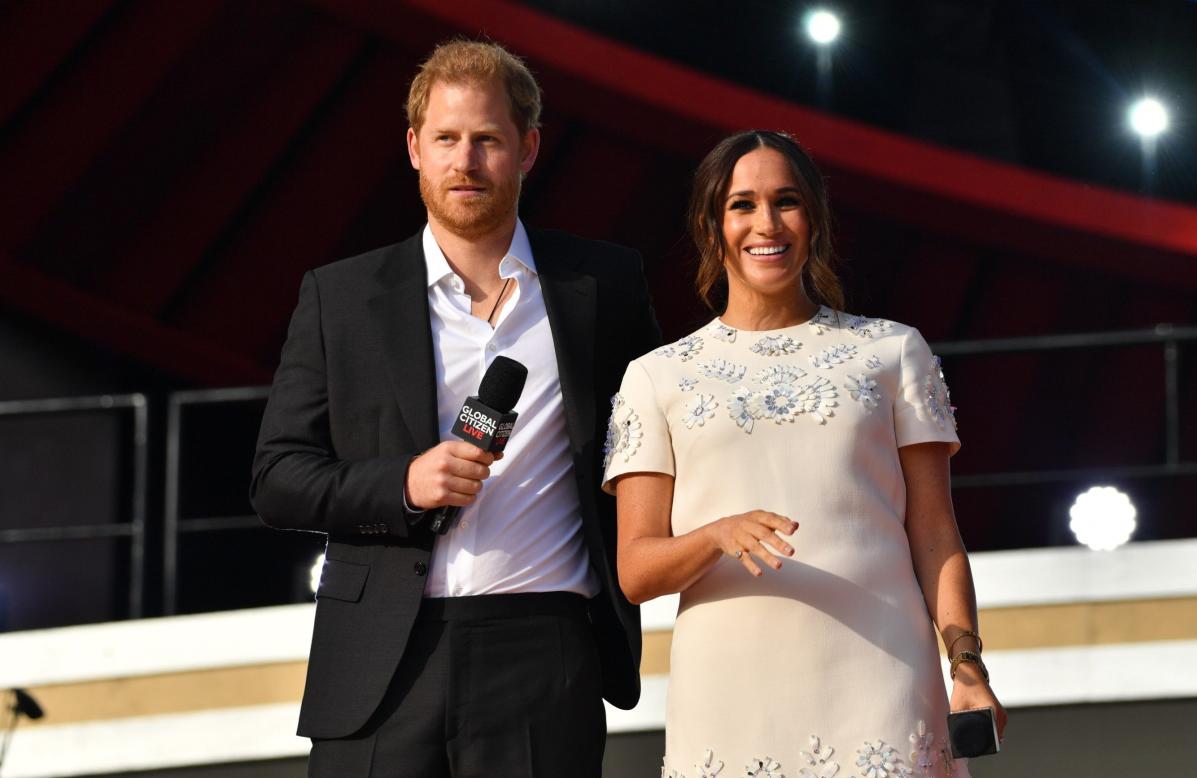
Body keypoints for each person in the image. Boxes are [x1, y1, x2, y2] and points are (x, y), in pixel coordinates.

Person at [251, 40, 661, 777]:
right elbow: (277, 477)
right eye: (445, 138)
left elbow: (663, 440)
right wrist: (402, 484)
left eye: (487, 140)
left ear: (527, 149)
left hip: (546, 648)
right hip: (380, 662)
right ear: (414, 147)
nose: (464, 161)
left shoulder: (603, 285)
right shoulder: (340, 296)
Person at [603, 130, 1005, 778]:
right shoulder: (656, 378)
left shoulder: (893, 353)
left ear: (812, 218)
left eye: (785, 201)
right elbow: (636, 571)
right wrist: (716, 534)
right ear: (710, 225)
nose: (766, 223)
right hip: (730, 696)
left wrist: (966, 664)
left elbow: (934, 535)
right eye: (741, 205)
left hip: (883, 678)